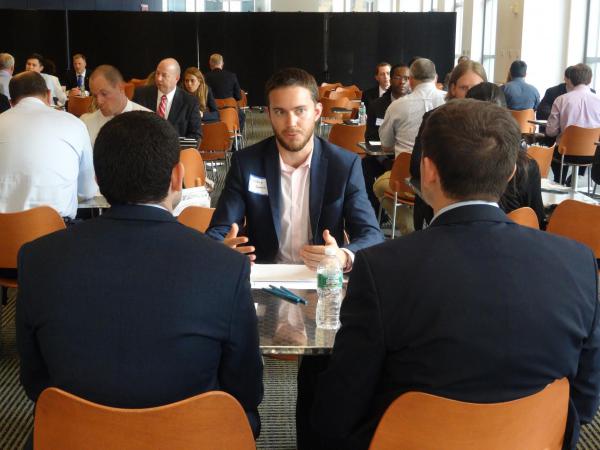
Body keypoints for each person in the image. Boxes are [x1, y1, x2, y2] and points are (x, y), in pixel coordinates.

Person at [312, 99, 600, 450]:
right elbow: (584, 403)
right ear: (511, 172)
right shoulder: (578, 263)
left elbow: (340, 409)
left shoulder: (381, 269)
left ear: (428, 170)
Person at [16, 111, 264, 446]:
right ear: (177, 178)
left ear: (100, 181)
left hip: (76, 437)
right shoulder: (225, 266)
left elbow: (34, 383)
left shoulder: (37, 259)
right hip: (191, 438)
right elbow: (246, 388)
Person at [205, 67, 383, 270]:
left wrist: (343, 256)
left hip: (322, 277)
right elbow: (219, 230)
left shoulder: (343, 165)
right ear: (269, 114)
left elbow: (372, 235)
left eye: (300, 110)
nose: (291, 123)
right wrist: (222, 248)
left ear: (317, 112)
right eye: (280, 112)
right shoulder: (246, 163)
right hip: (264, 275)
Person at [0, 71, 96, 221]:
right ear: (49, 94)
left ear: (11, 103)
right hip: (55, 233)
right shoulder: (75, 124)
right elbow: (87, 191)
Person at [409, 60, 487, 230]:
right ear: (452, 88)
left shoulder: (494, 126)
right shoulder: (433, 119)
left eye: (476, 88)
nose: (470, 95)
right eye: (464, 88)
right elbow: (416, 165)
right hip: (439, 205)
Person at [374, 58, 446, 234]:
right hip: (442, 179)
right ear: (436, 78)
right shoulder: (449, 102)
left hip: (405, 178)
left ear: (411, 79)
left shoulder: (397, 106)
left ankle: (410, 229)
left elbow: (386, 144)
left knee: (379, 186)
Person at [466, 82, 545, 227]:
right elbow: (537, 219)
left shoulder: (452, 160)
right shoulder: (526, 166)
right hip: (516, 243)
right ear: (505, 114)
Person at [362, 63, 410, 212]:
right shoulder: (377, 105)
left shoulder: (415, 105)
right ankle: (376, 212)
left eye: (406, 78)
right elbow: (370, 137)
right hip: (383, 158)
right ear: (391, 78)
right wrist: (384, 160)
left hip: (409, 161)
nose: (402, 82)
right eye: (397, 77)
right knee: (364, 166)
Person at [546, 63, 600, 184]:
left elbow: (551, 132)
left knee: (555, 147)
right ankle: (575, 179)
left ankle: (559, 181)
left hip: (565, 153)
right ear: (590, 79)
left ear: (570, 79)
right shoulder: (598, 101)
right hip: (592, 154)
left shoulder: (561, 99)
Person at [133, 58, 202, 141]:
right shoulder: (141, 94)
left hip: (176, 152)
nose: (158, 78)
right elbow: (131, 125)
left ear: (176, 78)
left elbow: (195, 136)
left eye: (164, 75)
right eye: (157, 73)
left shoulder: (190, 102)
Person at [80, 65, 150, 145]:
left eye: (104, 94)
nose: (99, 101)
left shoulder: (148, 121)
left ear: (121, 88)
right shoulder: (87, 124)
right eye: (95, 96)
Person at [204, 53, 245, 130]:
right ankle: (237, 139)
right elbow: (238, 96)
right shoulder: (232, 76)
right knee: (242, 116)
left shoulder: (205, 77)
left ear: (210, 64)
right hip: (230, 113)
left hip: (211, 114)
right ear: (222, 63)